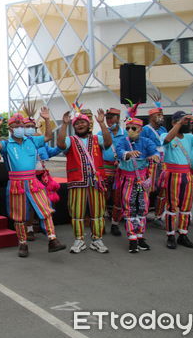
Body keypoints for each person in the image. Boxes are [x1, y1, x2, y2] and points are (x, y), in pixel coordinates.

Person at [0, 109, 66, 257]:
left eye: (22, 124)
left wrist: (46, 119)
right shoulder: (7, 145)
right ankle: (23, 243)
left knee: (45, 209)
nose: (20, 127)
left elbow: (47, 136)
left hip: (33, 181)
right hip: (16, 183)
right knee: (19, 216)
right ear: (11, 128)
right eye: (16, 124)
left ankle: (53, 240)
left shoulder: (32, 140)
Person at [57, 106, 112, 254]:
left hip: (96, 181)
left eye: (83, 122)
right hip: (77, 181)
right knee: (76, 212)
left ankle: (97, 240)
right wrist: (64, 124)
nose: (80, 125)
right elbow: (60, 144)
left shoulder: (96, 139)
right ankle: (79, 240)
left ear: (89, 124)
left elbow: (108, 143)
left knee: (98, 213)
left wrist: (102, 123)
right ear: (73, 126)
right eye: (77, 123)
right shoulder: (70, 140)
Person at [114, 110, 159, 252]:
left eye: (133, 128)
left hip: (141, 182)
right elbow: (120, 152)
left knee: (142, 206)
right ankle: (132, 238)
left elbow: (155, 152)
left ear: (140, 129)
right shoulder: (122, 141)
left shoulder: (146, 141)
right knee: (129, 206)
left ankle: (140, 236)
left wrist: (155, 156)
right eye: (127, 128)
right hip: (128, 181)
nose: (130, 130)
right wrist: (128, 154)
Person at [161, 112, 193, 249]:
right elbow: (166, 140)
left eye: (187, 121)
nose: (187, 123)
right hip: (173, 175)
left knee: (186, 207)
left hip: (187, 175)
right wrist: (179, 123)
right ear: (174, 122)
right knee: (172, 206)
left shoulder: (189, 137)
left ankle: (183, 235)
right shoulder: (166, 135)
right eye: (184, 121)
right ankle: (171, 235)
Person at [23, 117, 62, 240]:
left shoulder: (41, 143)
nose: (30, 129)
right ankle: (29, 229)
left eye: (32, 127)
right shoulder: (20, 143)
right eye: (27, 126)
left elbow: (53, 150)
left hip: (42, 177)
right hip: (28, 177)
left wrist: (62, 144)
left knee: (46, 202)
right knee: (29, 204)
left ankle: (47, 229)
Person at [97, 108, 126, 236]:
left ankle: (115, 224)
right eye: (107, 118)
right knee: (102, 196)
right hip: (104, 168)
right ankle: (101, 223)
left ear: (118, 118)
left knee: (118, 198)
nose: (109, 120)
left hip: (121, 169)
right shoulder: (101, 132)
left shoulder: (126, 133)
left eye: (111, 118)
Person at [141, 103, 167, 225]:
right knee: (148, 188)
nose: (161, 117)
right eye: (158, 115)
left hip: (163, 162)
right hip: (150, 163)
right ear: (151, 117)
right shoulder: (145, 129)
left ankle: (158, 215)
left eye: (161, 115)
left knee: (163, 188)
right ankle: (143, 214)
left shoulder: (163, 129)